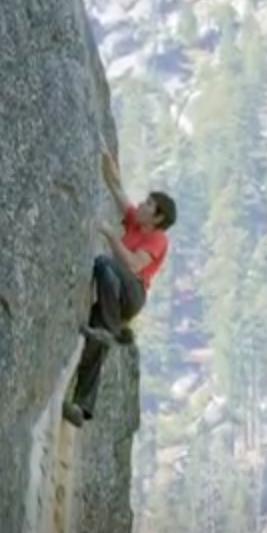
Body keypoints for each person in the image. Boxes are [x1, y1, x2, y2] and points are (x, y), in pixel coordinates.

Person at [62, 138, 177, 428]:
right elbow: (116, 187)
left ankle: (110, 329)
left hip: (131, 292)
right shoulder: (137, 221)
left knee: (104, 264)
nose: (142, 204)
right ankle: (81, 406)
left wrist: (110, 235)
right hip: (113, 293)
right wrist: (104, 156)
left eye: (149, 204)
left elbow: (135, 265)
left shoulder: (157, 239)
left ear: (158, 217)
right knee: (94, 338)